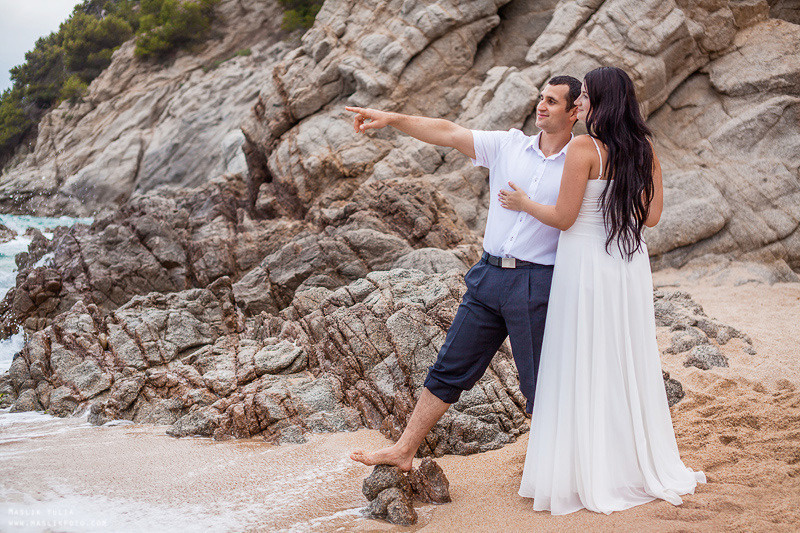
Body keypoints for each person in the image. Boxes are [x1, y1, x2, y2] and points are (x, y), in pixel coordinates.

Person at [345, 75, 583, 471]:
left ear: (575, 111)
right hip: (487, 277)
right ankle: (404, 451)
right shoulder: (509, 145)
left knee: (540, 384)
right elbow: (448, 132)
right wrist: (391, 118)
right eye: (542, 98)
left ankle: (561, 470)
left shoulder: (581, 160)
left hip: (536, 282)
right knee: (449, 366)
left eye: (554, 102)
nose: (542, 106)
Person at [501, 66, 706, 515]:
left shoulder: (583, 148)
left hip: (587, 265)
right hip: (628, 265)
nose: (580, 105)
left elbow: (564, 218)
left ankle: (586, 470)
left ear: (602, 103)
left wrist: (522, 204)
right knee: (625, 358)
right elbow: (651, 219)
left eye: (586, 97)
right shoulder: (644, 149)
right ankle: (630, 463)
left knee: (581, 357)